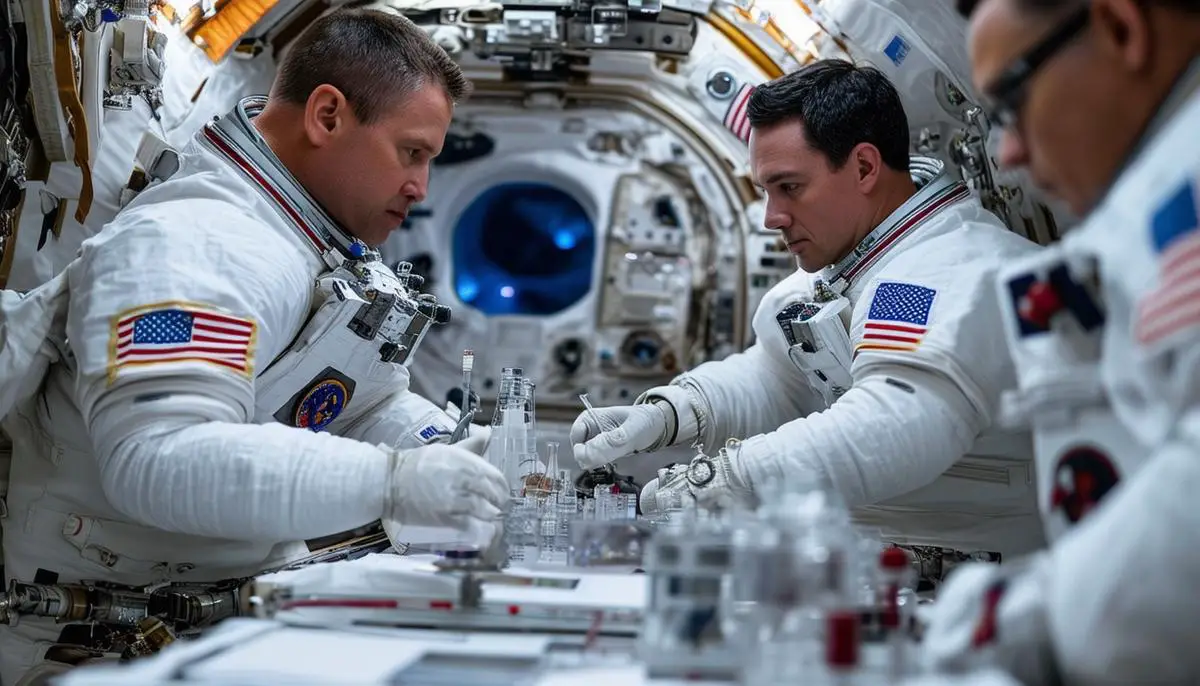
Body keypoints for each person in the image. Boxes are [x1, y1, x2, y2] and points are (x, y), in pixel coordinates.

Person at [0, 9, 509, 684]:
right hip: (92, 644)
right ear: (327, 116)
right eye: (411, 153)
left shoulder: (307, 248)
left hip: (220, 615)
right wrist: (394, 484)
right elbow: (158, 457)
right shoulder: (196, 242)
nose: (419, 187)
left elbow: (358, 405)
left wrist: (454, 449)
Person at [570, 59, 1046, 562]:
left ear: (864, 167)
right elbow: (776, 381)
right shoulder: (847, 268)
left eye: (789, 188)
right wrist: (673, 413)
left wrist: (719, 482)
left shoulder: (945, 270)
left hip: (999, 579)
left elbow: (889, 427)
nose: (773, 217)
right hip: (894, 571)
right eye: (765, 192)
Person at [918, 1, 1200, 684]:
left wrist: (1029, 620)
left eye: (1011, 103)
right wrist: (686, 413)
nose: (1007, 154)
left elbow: (906, 411)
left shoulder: (928, 272)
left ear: (1120, 28)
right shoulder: (830, 289)